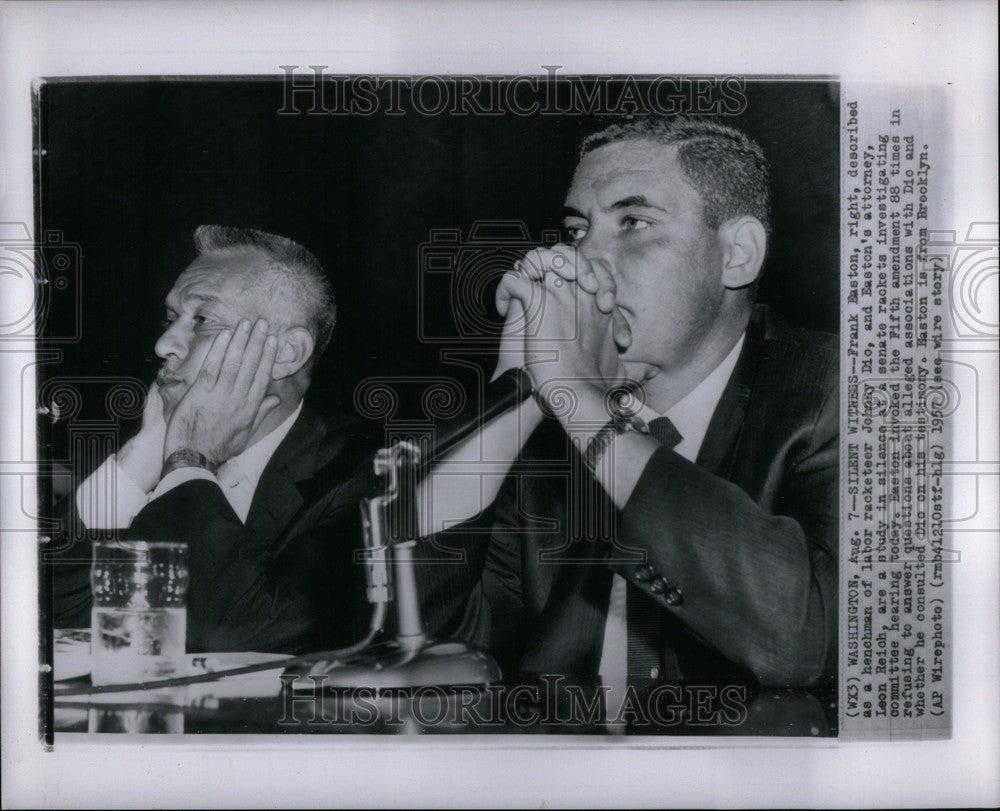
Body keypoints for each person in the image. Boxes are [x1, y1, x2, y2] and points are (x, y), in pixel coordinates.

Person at [416, 116, 838, 720]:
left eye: (634, 223)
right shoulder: (556, 434)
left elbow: (807, 638)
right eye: (575, 229)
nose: (582, 258)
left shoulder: (844, 389)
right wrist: (516, 395)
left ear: (737, 255)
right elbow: (427, 642)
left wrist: (579, 399)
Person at [51, 226, 377, 654]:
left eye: (201, 320)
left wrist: (190, 459)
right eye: (171, 318)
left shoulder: (366, 473)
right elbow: (49, 614)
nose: (164, 343)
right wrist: (139, 460)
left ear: (286, 353)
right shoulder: (156, 455)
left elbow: (229, 637)